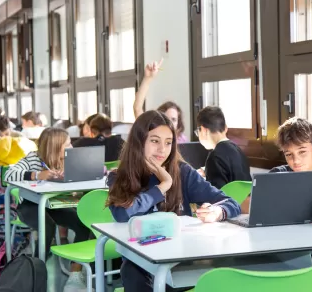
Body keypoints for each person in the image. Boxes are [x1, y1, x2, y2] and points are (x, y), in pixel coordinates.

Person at [106, 110, 240, 292]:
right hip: (142, 264)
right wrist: (163, 186)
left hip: (180, 259)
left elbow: (230, 202)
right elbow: (122, 214)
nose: (162, 149)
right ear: (139, 141)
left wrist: (217, 212)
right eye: (154, 141)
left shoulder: (183, 172)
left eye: (168, 143)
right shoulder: (119, 176)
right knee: (131, 270)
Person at [4, 128, 91, 292]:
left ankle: (75, 276)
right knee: (47, 226)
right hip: (29, 206)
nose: (71, 147)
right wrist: (37, 175)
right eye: (68, 144)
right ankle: (35, 273)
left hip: (53, 205)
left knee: (83, 223)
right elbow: (8, 174)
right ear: (55, 146)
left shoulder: (68, 159)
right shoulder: (33, 159)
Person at [195, 106, 251, 188]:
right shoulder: (238, 150)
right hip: (243, 200)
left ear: (203, 130)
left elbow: (215, 196)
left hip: (227, 201)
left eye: (197, 132)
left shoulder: (214, 157)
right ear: (225, 128)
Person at [133, 60, 188, 143]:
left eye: (173, 119)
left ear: (178, 123)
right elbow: (137, 108)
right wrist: (148, 78)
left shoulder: (182, 141)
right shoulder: (150, 132)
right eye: (166, 118)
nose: (170, 123)